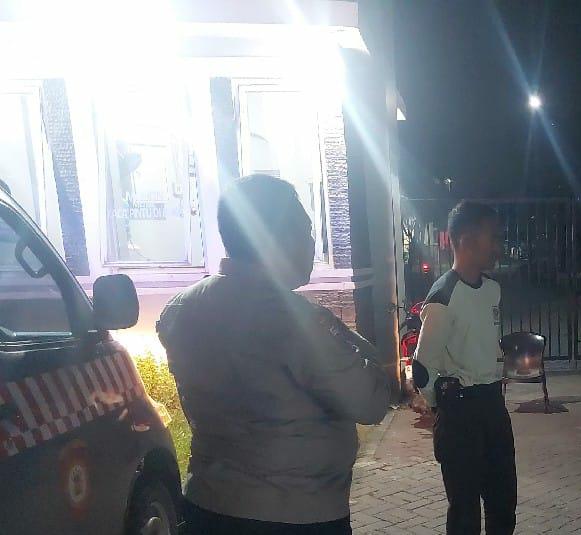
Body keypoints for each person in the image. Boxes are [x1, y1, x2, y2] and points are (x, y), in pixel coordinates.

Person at [157, 174, 393, 535]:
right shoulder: (294, 321)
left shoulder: (181, 308)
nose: (312, 244)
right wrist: (343, 334)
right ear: (276, 238)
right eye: (306, 231)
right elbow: (370, 401)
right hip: (297, 515)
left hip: (208, 506)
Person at [410, 201, 516, 535]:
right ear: (466, 240)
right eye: (493, 237)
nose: (498, 246)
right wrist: (442, 406)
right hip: (460, 413)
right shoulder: (443, 296)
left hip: (492, 406)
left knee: (503, 506)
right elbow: (422, 368)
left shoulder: (493, 290)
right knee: (465, 515)